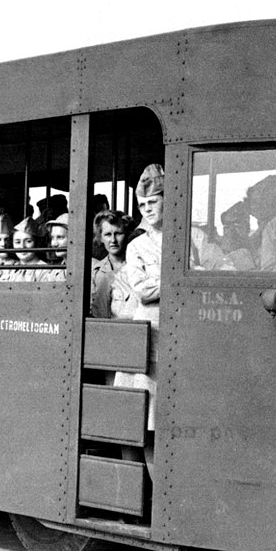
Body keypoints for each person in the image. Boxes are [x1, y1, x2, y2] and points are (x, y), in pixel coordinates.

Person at [113, 164, 164, 473]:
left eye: (153, 202)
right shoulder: (136, 246)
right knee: (145, 424)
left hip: (178, 339)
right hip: (148, 341)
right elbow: (143, 291)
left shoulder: (194, 238)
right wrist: (178, 282)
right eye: (142, 205)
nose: (147, 209)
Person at [91, 210, 133, 318]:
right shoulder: (96, 271)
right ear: (100, 238)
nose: (113, 240)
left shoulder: (136, 266)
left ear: (127, 234)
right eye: (108, 234)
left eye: (118, 233)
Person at [0, 217, 48, 281]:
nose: (22, 246)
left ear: (36, 243)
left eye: (28, 241)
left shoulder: (45, 270)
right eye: (18, 242)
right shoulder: (10, 269)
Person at [39, 214, 70, 282]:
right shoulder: (54, 273)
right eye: (52, 238)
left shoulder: (93, 269)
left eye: (60, 237)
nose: (54, 244)